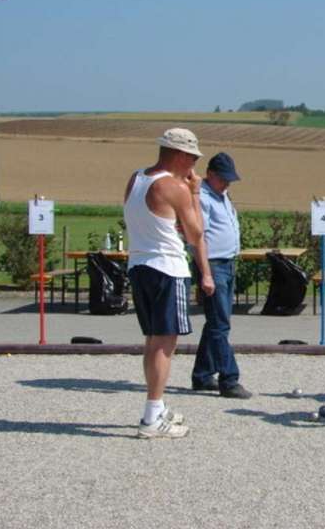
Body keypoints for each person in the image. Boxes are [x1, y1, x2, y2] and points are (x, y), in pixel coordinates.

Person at [124, 127, 215, 439]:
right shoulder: (173, 187)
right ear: (178, 154)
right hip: (167, 268)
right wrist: (195, 193)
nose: (193, 165)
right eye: (191, 158)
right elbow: (196, 233)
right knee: (165, 344)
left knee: (153, 341)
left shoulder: (136, 179)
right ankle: (151, 418)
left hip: (139, 264)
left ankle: (157, 408)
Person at [191, 152, 252, 399]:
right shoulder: (201, 198)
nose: (228, 183)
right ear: (210, 175)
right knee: (220, 324)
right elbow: (197, 237)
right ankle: (229, 379)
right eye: (224, 179)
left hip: (227, 263)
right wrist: (205, 273)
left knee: (217, 321)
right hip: (213, 264)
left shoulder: (222, 195)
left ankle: (203, 375)